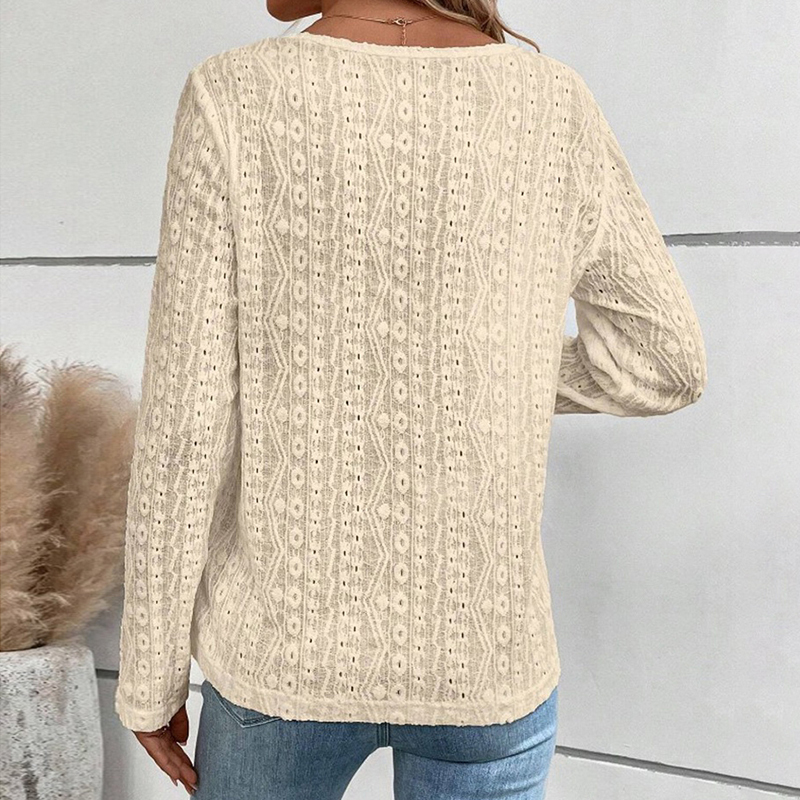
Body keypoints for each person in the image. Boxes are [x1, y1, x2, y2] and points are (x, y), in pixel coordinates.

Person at [114, 0, 708, 797]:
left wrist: (150, 674)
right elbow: (663, 359)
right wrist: (475, 371)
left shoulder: (233, 96)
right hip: (485, 664)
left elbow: (185, 423)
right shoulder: (553, 104)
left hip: (283, 659)